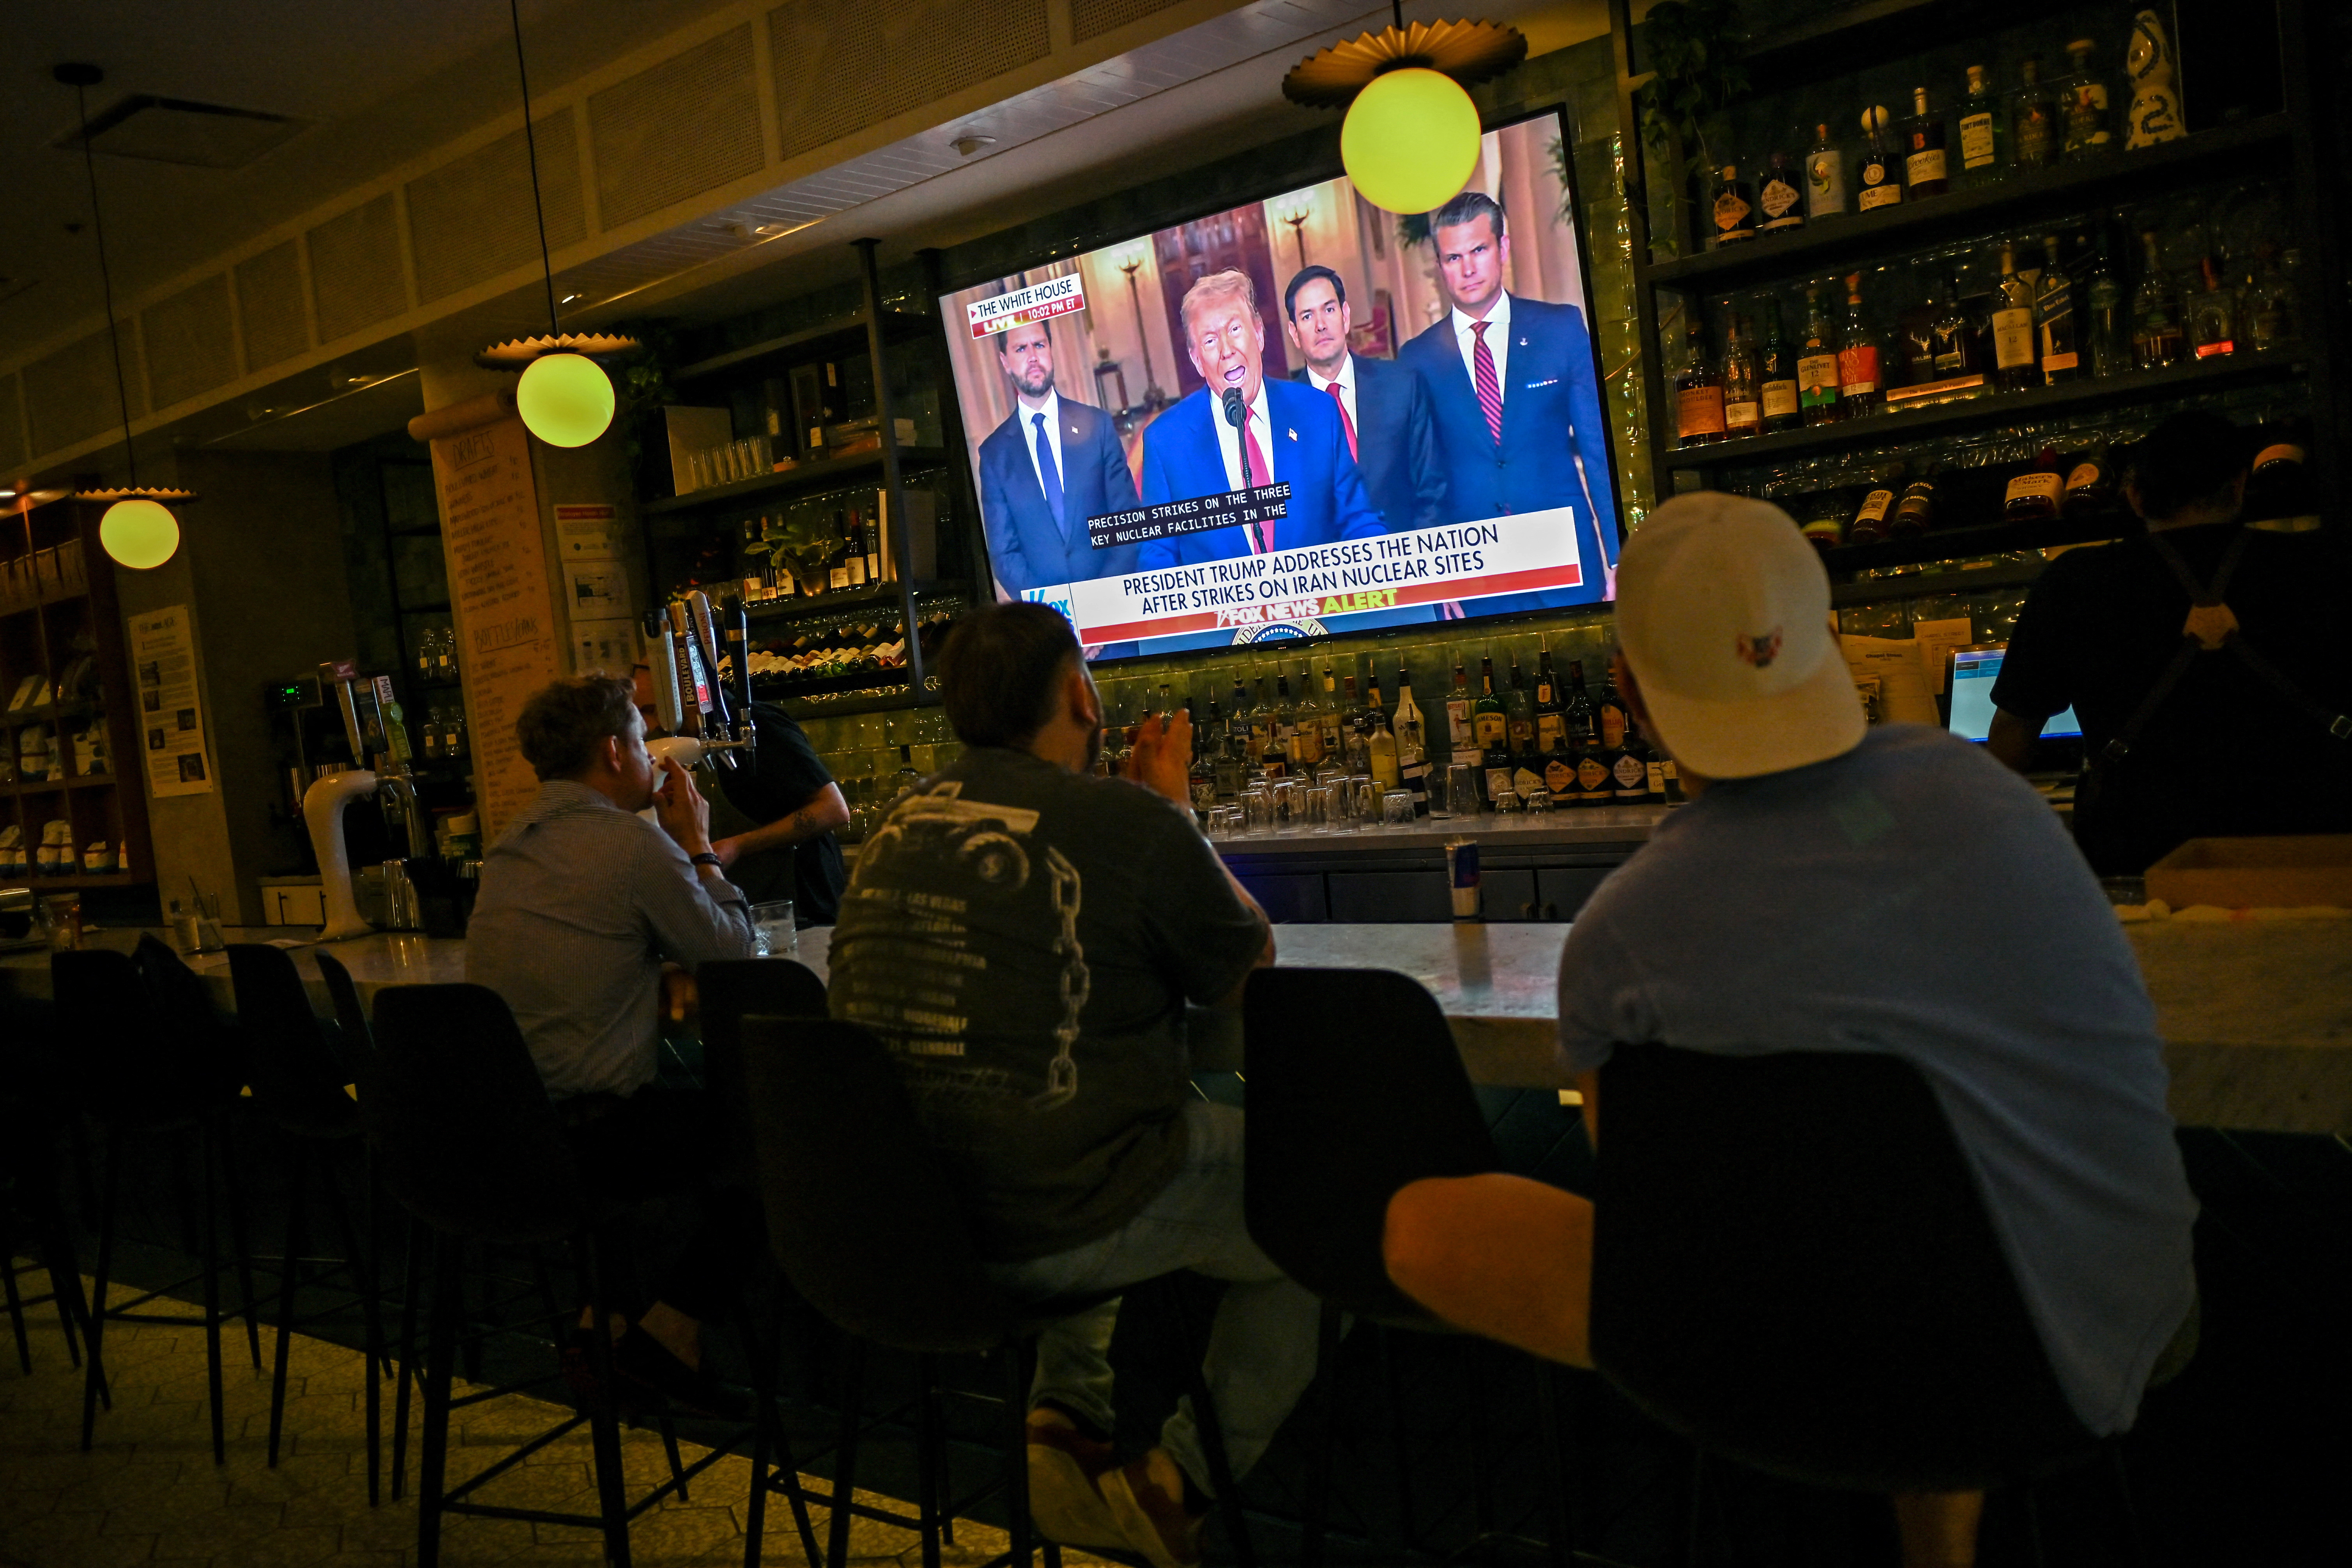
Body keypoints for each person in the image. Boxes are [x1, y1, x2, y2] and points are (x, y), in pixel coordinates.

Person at [1379, 493, 2198, 1568]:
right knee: (1917, 1222)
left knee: (1418, 1224)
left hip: (1774, 1372)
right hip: (2103, 1338)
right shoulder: (1990, 797)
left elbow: (1637, 1197)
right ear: (1825, 640)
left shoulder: (1622, 934)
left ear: (1627, 688)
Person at [827, 602, 1312, 1568]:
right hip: (1052, 1215)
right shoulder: (1127, 819)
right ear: (1079, 696)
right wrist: (1173, 807)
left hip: (908, 1226)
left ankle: (1063, 1423)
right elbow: (1250, 966)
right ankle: (1173, 1484)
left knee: (1098, 1115)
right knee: (1315, 1192)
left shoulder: (892, 827)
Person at [466, 674, 758, 1416]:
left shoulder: (506, 848)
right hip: (592, 1140)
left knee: (661, 1111)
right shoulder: (632, 844)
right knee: (775, 1139)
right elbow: (730, 956)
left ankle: (606, 1321)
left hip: (502, 1138)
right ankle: (668, 1336)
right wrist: (697, 844)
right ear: (612, 751)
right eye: (639, 739)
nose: (651, 759)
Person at [1988, 410, 2352, 875]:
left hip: (2140, 855)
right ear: (2239, 487)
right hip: (2309, 849)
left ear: (2136, 499)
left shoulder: (2076, 582)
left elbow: (2013, 733)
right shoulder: (2323, 564)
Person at [1395, 190, 1619, 612]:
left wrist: (1620, 554)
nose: (1468, 269)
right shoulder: (1417, 359)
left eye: (1478, 250)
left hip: (1565, 557)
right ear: (1440, 266)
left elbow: (1598, 450)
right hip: (1477, 569)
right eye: (1453, 258)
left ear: (1503, 248)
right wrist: (1436, 577)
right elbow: (1422, 480)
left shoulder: (1561, 329)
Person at [1135, 268, 1386, 568]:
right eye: (1210, 341)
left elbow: (1358, 520)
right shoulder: (1166, 442)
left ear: (1259, 334)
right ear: (1196, 360)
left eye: (1235, 330)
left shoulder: (1318, 412)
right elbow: (1158, 557)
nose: (1227, 350)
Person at [631, 667, 851, 925]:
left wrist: (739, 845)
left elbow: (834, 809)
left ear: (686, 698)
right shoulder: (694, 741)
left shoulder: (757, 724)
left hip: (802, 905)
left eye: (651, 710)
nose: (650, 726)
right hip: (751, 906)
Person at [979, 319, 1143, 593]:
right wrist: (1052, 612)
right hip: (1047, 626)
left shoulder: (1098, 426)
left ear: (1051, 351)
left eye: (1040, 345)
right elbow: (1004, 554)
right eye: (1020, 349)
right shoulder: (995, 454)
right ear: (1005, 362)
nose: (1033, 357)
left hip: (1114, 608)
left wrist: (1101, 598)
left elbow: (1128, 521)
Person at [1283, 264, 1446, 532]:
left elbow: (1433, 488)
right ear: (1294, 333)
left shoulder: (1402, 386)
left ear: (1346, 316)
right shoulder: (1283, 414)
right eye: (1307, 316)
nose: (1321, 325)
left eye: (1329, 309)